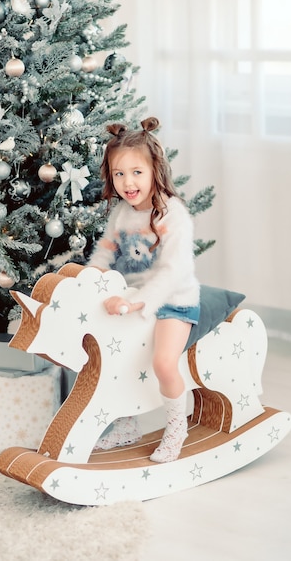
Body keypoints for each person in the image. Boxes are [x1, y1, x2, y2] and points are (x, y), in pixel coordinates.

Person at [88, 117, 200, 463]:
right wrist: (89, 278)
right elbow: (106, 251)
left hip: (172, 302)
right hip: (131, 302)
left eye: (136, 172)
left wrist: (139, 301)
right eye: (119, 174)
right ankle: (125, 426)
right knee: (114, 360)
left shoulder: (172, 214)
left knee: (164, 363)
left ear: (155, 170)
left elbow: (172, 271)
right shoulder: (122, 213)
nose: (127, 182)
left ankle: (175, 429)